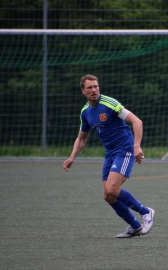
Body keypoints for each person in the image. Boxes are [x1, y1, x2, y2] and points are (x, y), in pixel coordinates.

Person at [63, 74, 154, 238]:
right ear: (82, 90)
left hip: (124, 148)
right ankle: (135, 226)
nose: (94, 90)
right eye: (89, 87)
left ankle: (146, 212)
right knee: (108, 195)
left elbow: (137, 121)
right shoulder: (85, 112)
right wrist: (72, 157)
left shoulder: (109, 103)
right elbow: (82, 138)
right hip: (110, 153)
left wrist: (136, 146)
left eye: (96, 86)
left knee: (113, 189)